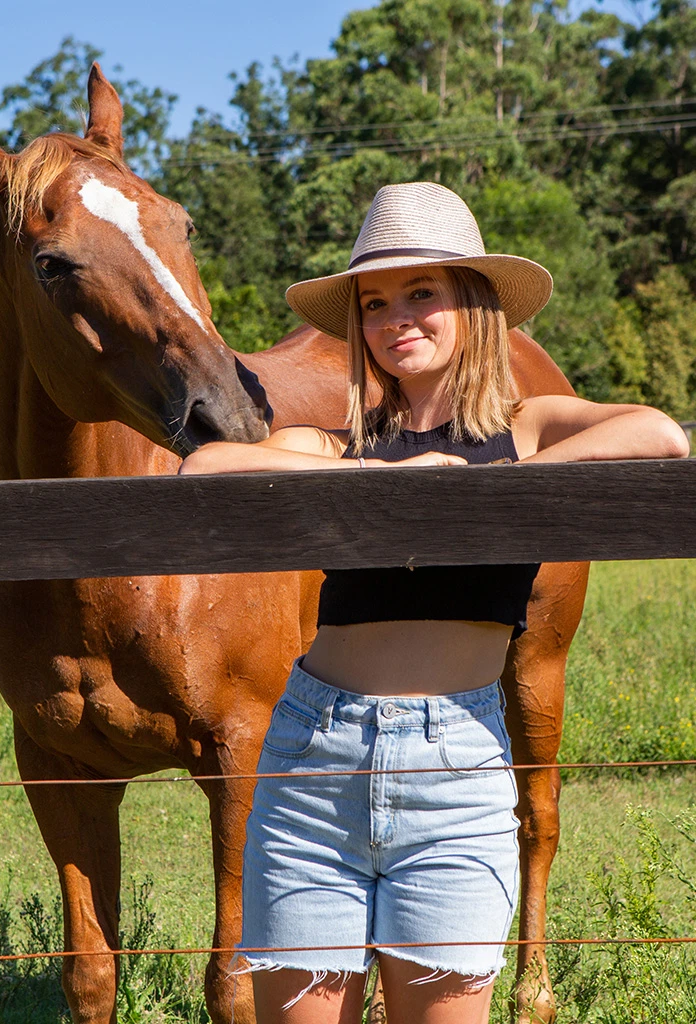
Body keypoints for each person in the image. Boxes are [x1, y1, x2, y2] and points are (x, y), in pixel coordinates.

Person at [179, 181, 689, 1024]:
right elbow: (209, 468)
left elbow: (660, 433)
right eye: (375, 301)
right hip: (315, 760)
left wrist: (486, 491)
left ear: (473, 303)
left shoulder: (527, 425)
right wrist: (386, 482)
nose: (396, 316)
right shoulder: (338, 442)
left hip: (456, 765)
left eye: (423, 292)